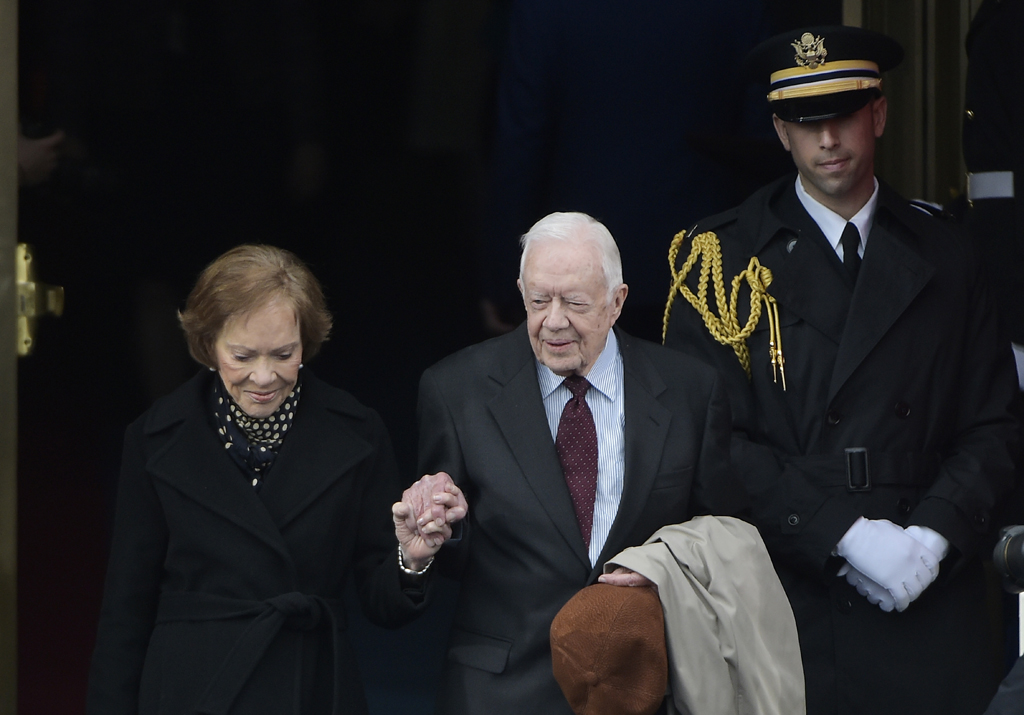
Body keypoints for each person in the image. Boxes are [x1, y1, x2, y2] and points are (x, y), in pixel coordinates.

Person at [663, 25, 1019, 715]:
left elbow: (994, 423)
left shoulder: (948, 250)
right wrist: (845, 534)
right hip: (788, 589)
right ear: (779, 131)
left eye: (844, 114)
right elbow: (710, 440)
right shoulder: (720, 259)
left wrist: (934, 535)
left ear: (879, 113)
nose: (827, 138)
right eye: (804, 120)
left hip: (928, 587)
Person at [85, 244, 465, 715]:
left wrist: (410, 558)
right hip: (191, 686)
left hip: (307, 683)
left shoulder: (356, 433)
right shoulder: (153, 438)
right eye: (242, 355)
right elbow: (126, 609)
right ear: (208, 345)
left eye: (284, 354)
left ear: (306, 342)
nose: (263, 377)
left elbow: (382, 603)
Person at [415, 211, 749, 714]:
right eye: (537, 301)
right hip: (502, 693)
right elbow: (451, 556)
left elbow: (723, 541)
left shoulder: (690, 393)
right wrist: (433, 535)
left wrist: (665, 571)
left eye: (574, 302)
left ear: (617, 302)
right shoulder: (456, 390)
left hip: (643, 686)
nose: (553, 321)